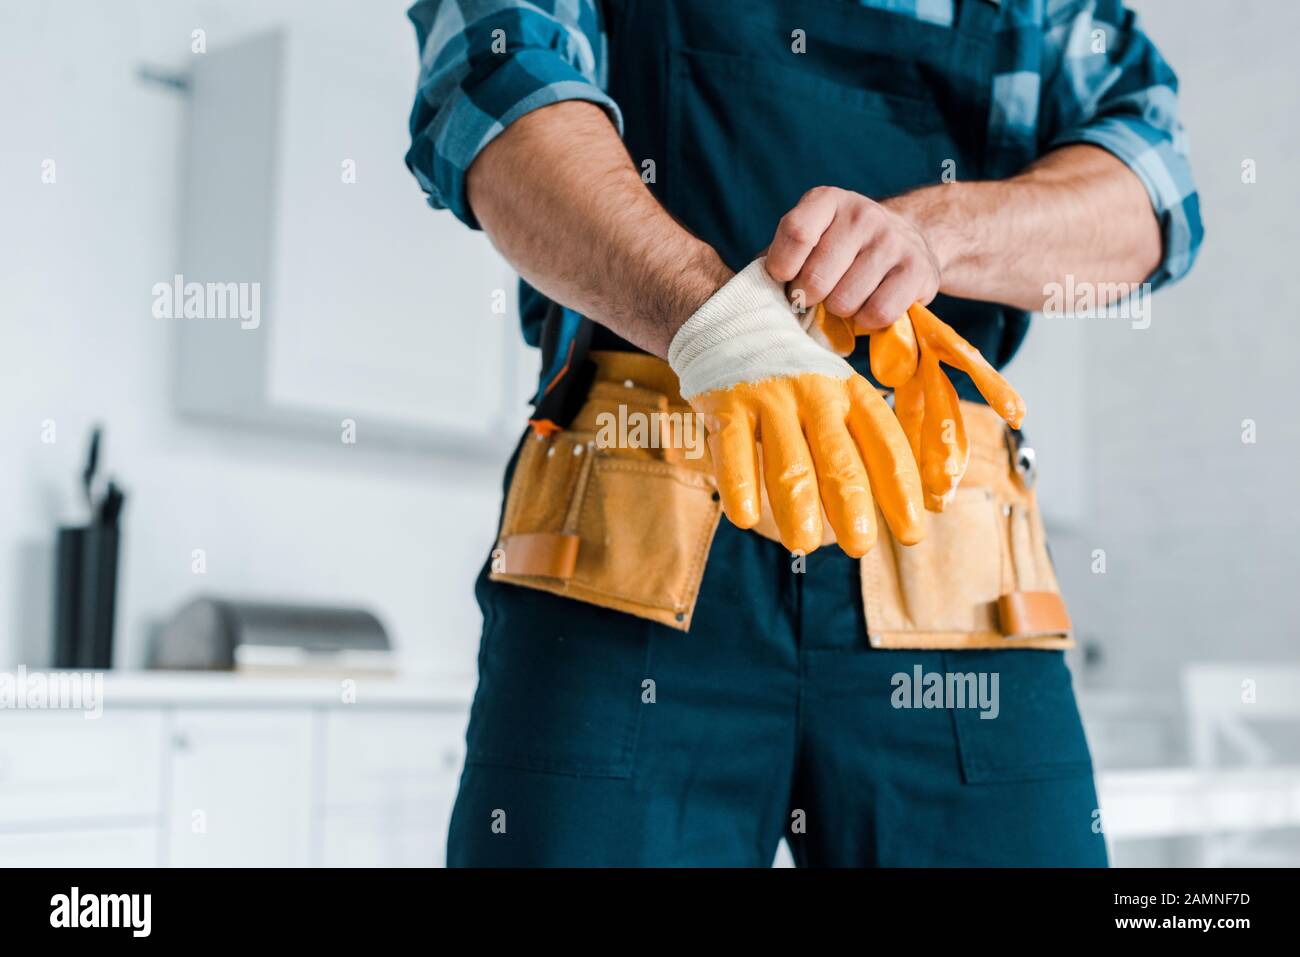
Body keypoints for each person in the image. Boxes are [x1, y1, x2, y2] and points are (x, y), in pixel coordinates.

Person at [404, 0, 1201, 866]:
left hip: (954, 565)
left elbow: (1154, 191)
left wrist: (931, 236)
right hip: (627, 549)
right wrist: (715, 321)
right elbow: (494, 85)